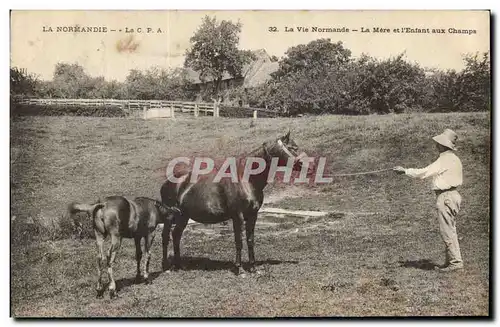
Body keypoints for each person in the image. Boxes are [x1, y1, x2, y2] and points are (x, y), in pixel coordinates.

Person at [393, 129, 464, 272]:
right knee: (450, 229)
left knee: (447, 230)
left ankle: (455, 263)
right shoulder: (454, 159)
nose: (437, 145)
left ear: (444, 145)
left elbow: (424, 172)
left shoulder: (445, 159)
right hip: (453, 195)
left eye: (439, 143)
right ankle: (451, 261)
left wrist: (405, 171)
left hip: (445, 197)